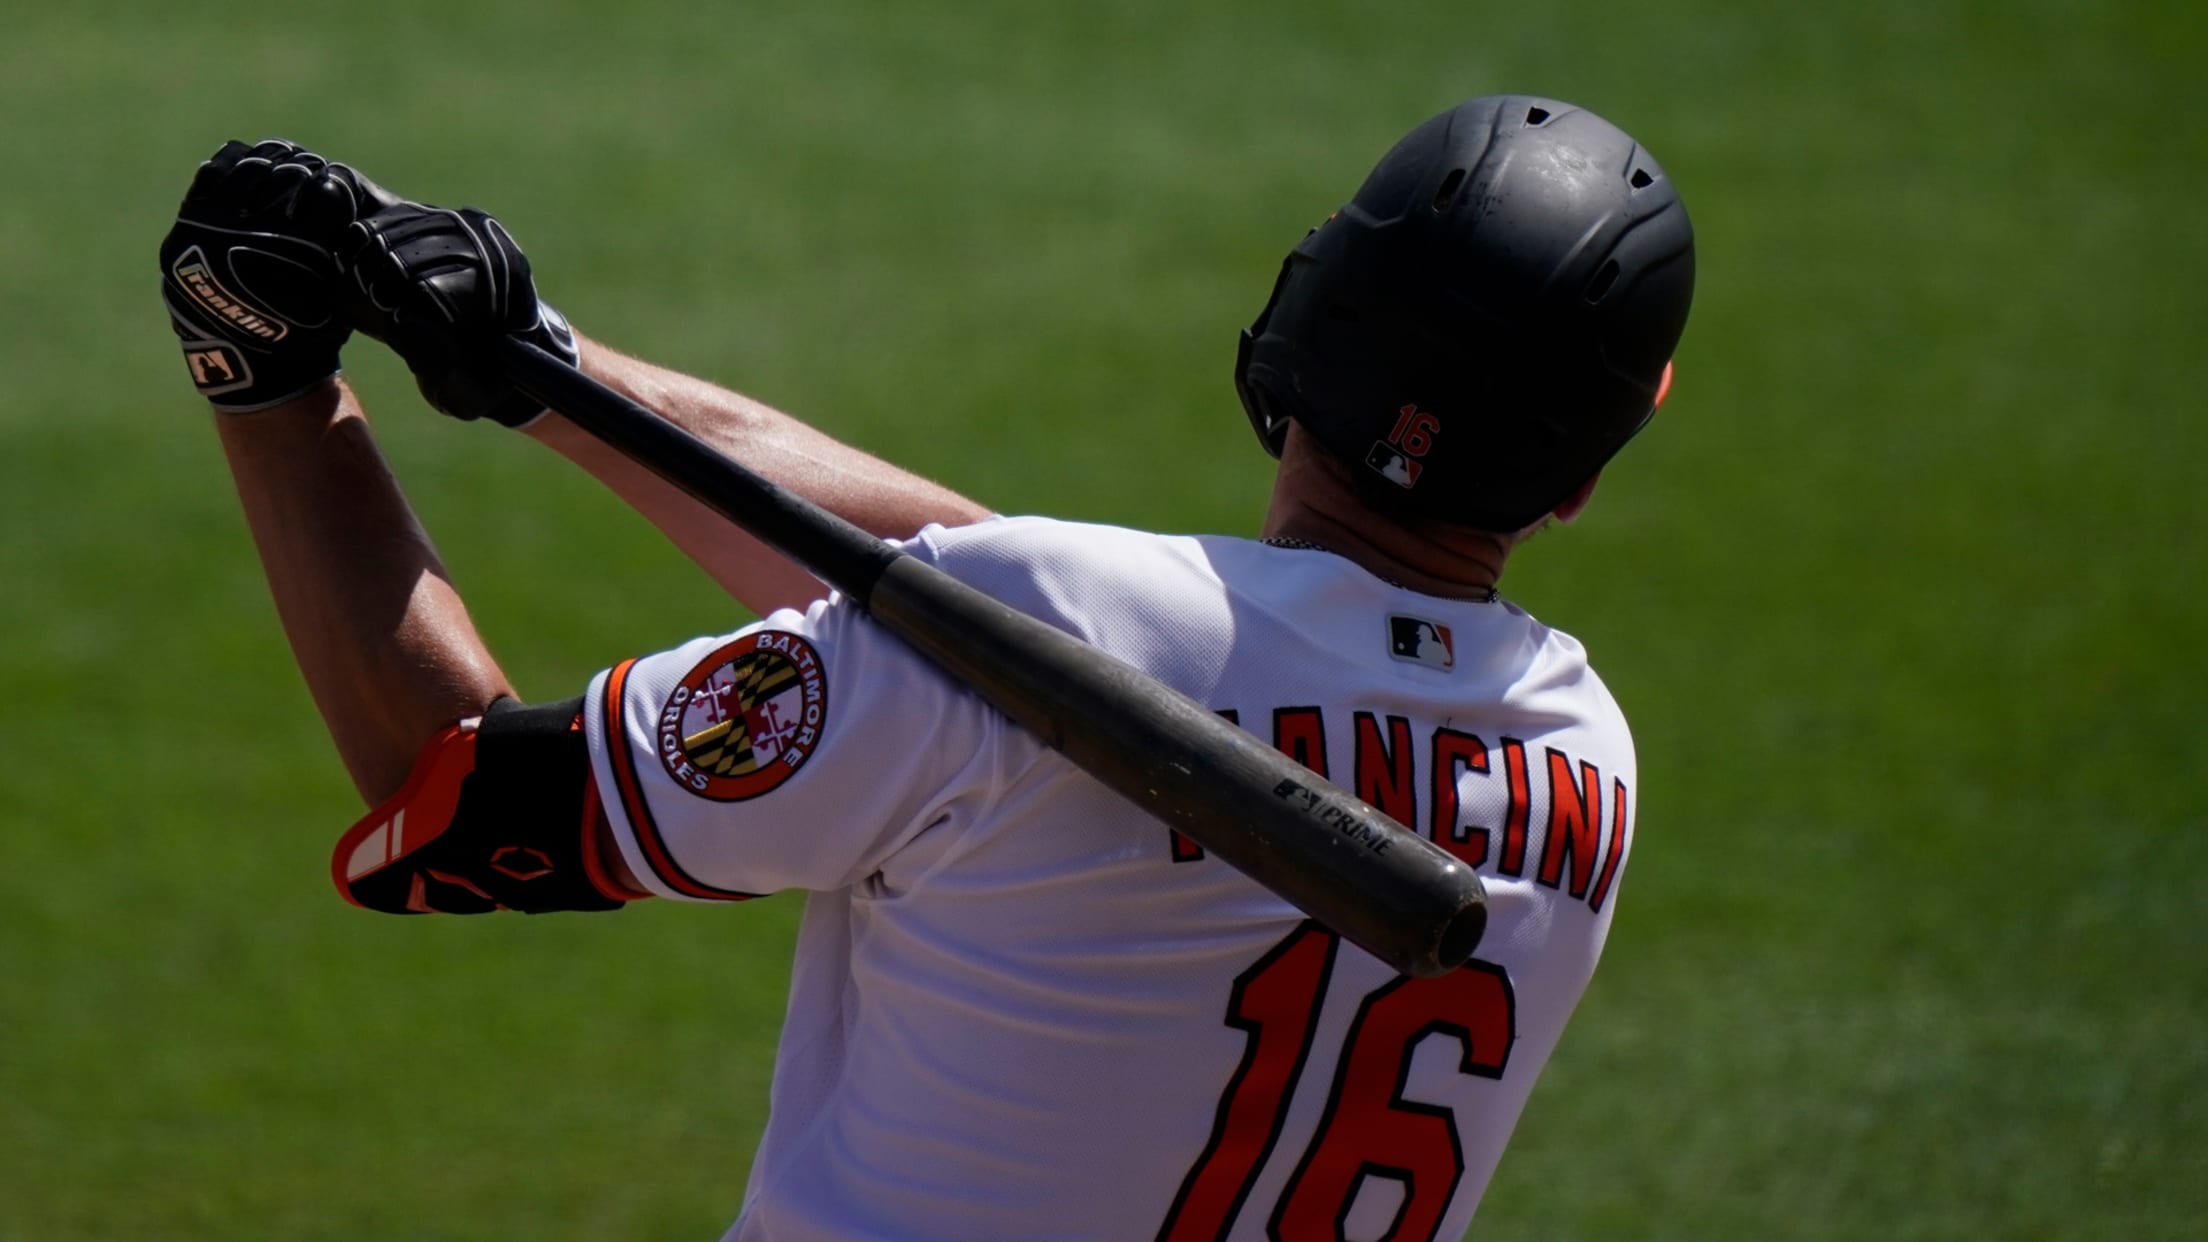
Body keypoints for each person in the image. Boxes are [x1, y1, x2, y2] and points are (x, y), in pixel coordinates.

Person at [160, 94, 1693, 1241]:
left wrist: (267, 378)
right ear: (1585, 469)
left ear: (1306, 318)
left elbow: (460, 803)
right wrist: (540, 363)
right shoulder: (1586, 760)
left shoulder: (1064, 629)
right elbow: (996, 609)